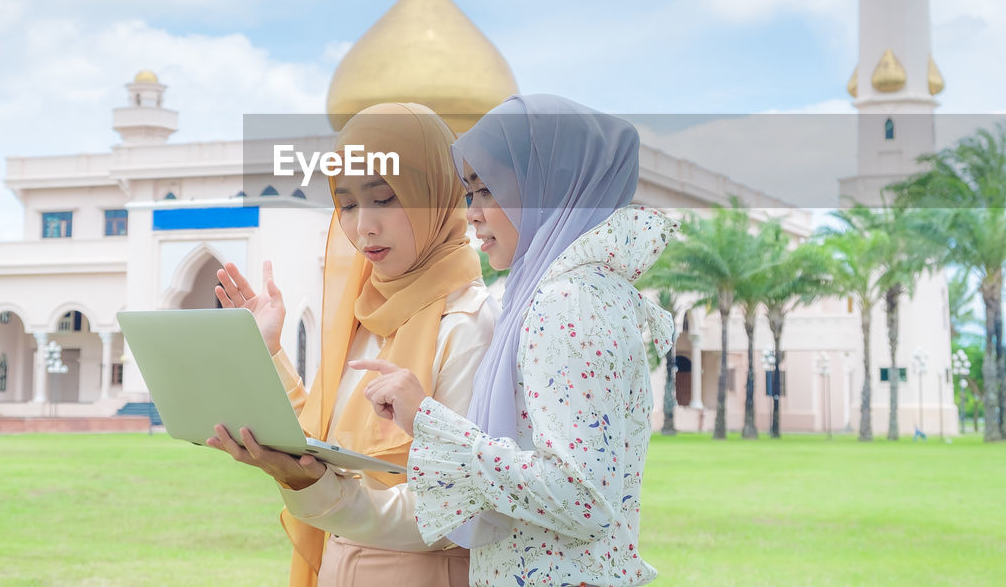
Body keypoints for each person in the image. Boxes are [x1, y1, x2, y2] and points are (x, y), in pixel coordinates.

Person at [355, 94, 677, 586]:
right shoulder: (572, 290)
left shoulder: (567, 302)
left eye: (489, 191)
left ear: (548, 189)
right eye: (469, 194)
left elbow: (580, 497)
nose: (472, 214)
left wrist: (429, 420)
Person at [205, 102, 499, 587]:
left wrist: (316, 490)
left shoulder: (468, 325)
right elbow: (322, 443)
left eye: (384, 198)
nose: (363, 226)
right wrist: (271, 353)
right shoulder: (366, 318)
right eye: (347, 204)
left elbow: (452, 512)